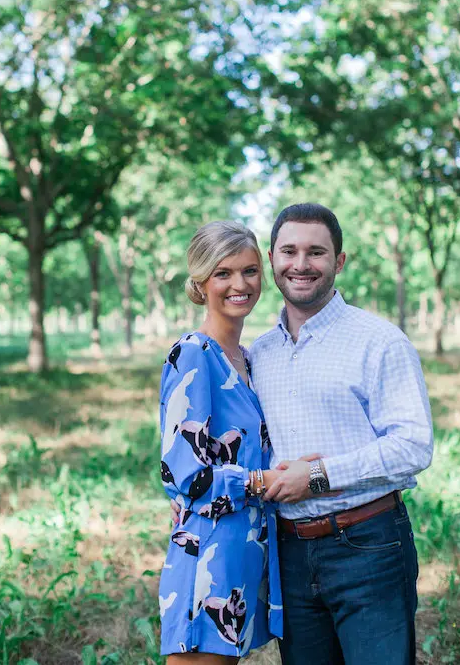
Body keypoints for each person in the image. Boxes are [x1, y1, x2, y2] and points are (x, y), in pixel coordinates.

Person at [250, 202, 434, 665]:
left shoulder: (379, 341)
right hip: (288, 550)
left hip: (368, 544)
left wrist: (317, 475)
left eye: (317, 252)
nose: (301, 264)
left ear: (340, 261)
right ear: (271, 257)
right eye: (289, 251)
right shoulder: (259, 354)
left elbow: (413, 445)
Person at [159, 220, 284, 663]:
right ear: (201, 281)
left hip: (247, 551)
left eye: (250, 271)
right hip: (208, 549)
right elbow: (185, 472)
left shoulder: (249, 361)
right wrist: (260, 480)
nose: (240, 284)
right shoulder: (194, 353)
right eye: (223, 273)